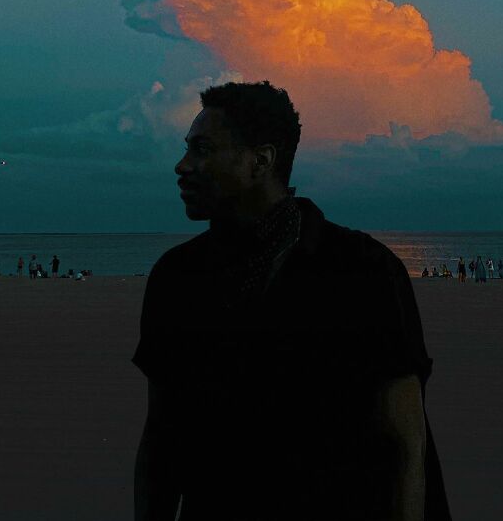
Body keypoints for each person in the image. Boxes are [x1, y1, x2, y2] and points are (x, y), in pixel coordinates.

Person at [133, 81, 451, 521]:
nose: (182, 166)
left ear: (261, 160)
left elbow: (406, 444)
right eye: (187, 148)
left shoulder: (362, 270)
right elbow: (161, 441)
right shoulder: (177, 277)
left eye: (202, 150)